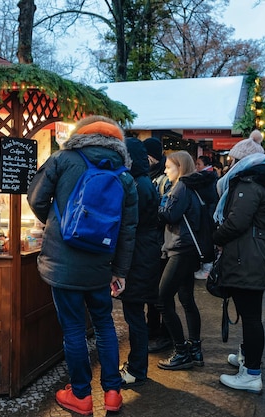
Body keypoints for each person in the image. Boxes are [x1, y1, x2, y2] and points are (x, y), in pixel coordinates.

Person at [26, 115, 138, 415]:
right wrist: (121, 272)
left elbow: (36, 199)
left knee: (73, 329)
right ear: (117, 142)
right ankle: (113, 393)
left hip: (62, 263)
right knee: (105, 326)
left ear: (80, 135)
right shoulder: (124, 176)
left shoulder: (62, 159)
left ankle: (81, 395)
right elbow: (128, 230)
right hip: (101, 265)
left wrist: (57, 224)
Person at [212, 131, 265, 394]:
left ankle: (251, 373)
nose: (228, 164)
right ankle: (248, 359)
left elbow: (236, 223)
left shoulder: (248, 186)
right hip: (256, 256)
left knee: (252, 317)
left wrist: (216, 236)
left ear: (243, 161)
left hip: (250, 258)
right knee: (249, 315)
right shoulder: (259, 184)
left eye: (232, 159)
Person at [156, 150, 205, 371]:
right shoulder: (191, 185)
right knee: (186, 298)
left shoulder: (181, 187)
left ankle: (181, 351)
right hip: (187, 249)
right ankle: (195, 348)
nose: (165, 171)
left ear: (180, 167)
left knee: (162, 299)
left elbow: (169, 215)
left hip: (181, 248)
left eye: (169, 167)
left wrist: (158, 204)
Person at [117, 137, 161, 386]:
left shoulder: (138, 185)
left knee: (134, 315)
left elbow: (130, 224)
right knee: (135, 315)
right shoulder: (145, 181)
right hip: (145, 253)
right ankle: (137, 365)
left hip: (139, 256)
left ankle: (136, 369)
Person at [143, 137, 173, 354]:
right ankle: (152, 328)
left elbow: (167, 211)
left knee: (159, 292)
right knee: (151, 290)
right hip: (153, 242)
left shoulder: (165, 179)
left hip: (161, 243)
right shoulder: (148, 176)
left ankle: (162, 333)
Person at [192, 155, 219, 279]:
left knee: (206, 240)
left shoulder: (205, 179)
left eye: (199, 164)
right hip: (208, 214)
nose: (196, 167)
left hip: (207, 215)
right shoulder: (210, 177)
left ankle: (207, 268)